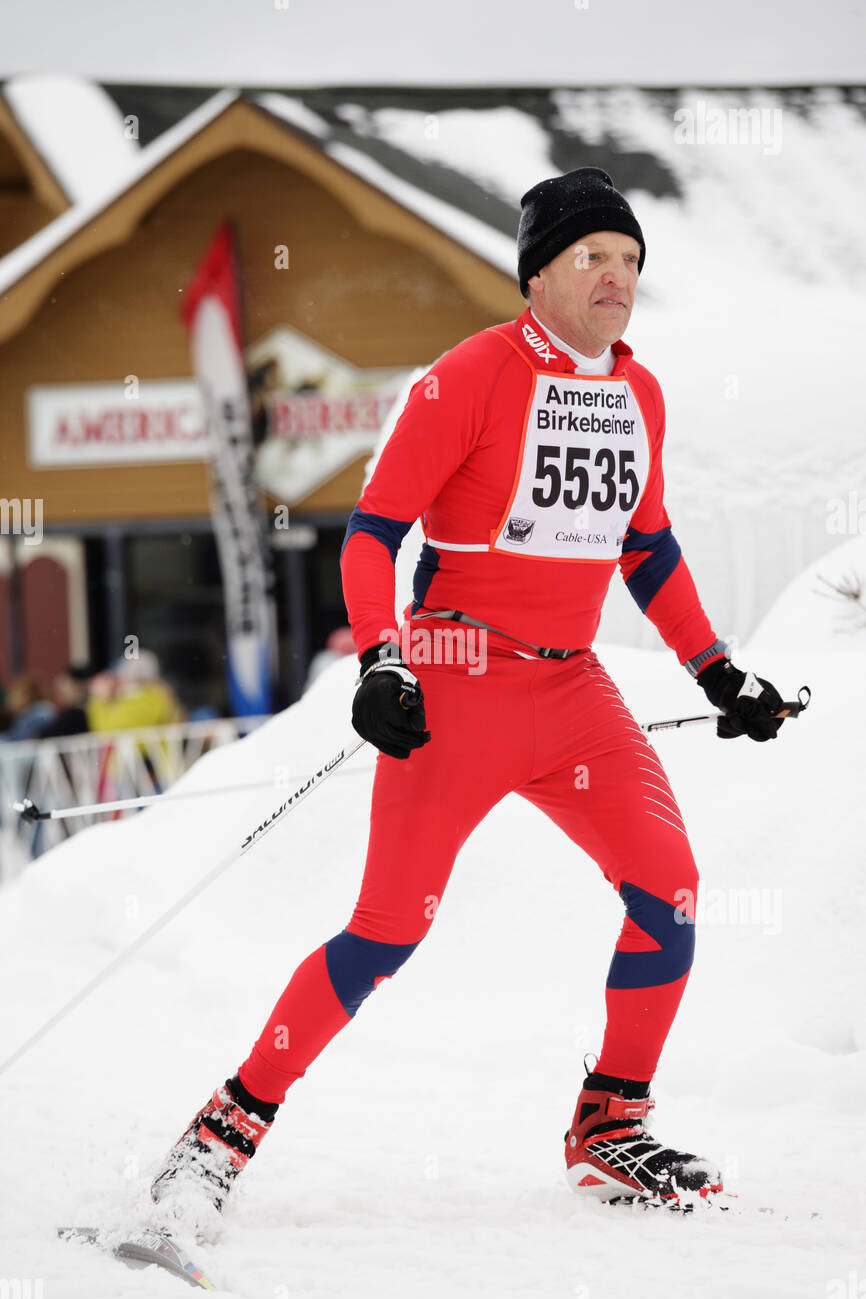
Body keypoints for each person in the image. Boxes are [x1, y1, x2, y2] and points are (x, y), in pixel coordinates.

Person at [151, 168, 789, 1224]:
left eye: (628, 261)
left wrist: (717, 669)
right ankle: (219, 1134)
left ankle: (608, 1126)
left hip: (573, 687)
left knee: (668, 894)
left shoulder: (639, 394)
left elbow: (645, 544)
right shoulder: (467, 377)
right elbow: (372, 532)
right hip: (456, 682)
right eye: (591, 257)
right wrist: (380, 661)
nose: (614, 278)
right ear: (536, 274)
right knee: (387, 931)